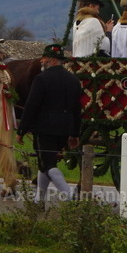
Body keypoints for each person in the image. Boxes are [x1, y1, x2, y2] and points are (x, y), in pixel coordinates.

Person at [16, 43, 83, 203]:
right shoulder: (73, 79)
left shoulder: (41, 79)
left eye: (44, 58)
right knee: (44, 162)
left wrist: (21, 130)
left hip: (45, 128)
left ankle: (69, 196)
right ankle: (39, 200)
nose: (41, 61)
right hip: (65, 129)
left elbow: (31, 106)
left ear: (52, 60)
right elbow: (77, 109)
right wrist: (74, 133)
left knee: (49, 165)